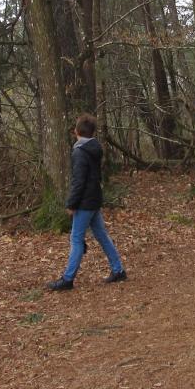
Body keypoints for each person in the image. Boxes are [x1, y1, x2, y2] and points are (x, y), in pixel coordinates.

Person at [47, 113, 127, 291]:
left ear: (77, 131)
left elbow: (79, 181)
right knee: (101, 235)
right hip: (94, 199)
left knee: (76, 238)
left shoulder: (80, 152)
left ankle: (68, 279)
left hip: (85, 202)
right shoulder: (95, 148)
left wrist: (71, 204)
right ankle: (118, 270)